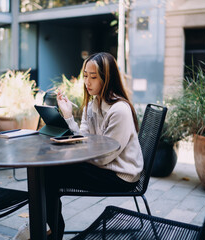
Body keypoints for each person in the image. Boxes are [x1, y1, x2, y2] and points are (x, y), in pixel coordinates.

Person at [45, 52, 143, 239]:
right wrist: (67, 116)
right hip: (102, 166)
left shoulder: (119, 110)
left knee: (50, 173)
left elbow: (104, 156)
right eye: (85, 76)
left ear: (107, 79)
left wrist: (73, 153)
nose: (87, 82)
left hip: (120, 175)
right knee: (48, 170)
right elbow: (83, 137)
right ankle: (49, 228)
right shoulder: (92, 104)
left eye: (93, 77)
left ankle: (51, 231)